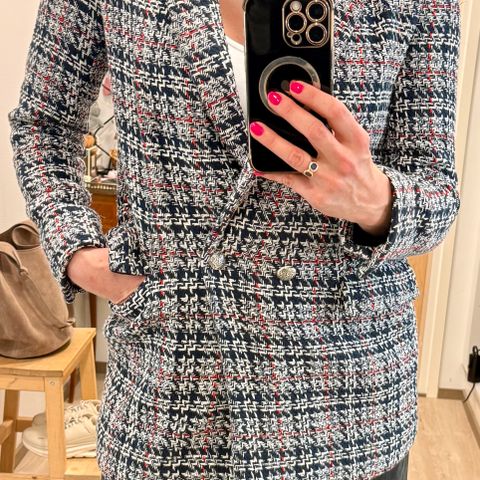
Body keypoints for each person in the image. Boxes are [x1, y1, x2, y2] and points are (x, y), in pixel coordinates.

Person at [8, 0, 460, 478]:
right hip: (173, 384)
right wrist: (79, 255)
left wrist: (376, 201)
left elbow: (436, 186)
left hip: (348, 400)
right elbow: (43, 126)